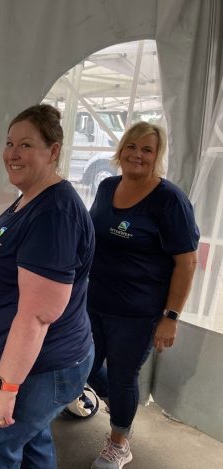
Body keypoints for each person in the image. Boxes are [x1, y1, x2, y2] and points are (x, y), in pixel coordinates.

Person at [0, 104, 95, 468]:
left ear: (53, 151)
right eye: (9, 143)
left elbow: (37, 316)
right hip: (30, 362)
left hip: (37, 368)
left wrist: (7, 389)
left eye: (25, 144)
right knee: (32, 442)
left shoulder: (54, 215)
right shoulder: (30, 198)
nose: (12, 153)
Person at [86, 121, 199, 469]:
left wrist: (171, 317)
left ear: (156, 156)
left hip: (137, 312)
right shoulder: (107, 187)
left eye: (147, 150)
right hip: (94, 300)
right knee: (83, 365)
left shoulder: (169, 200)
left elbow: (187, 263)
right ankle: (120, 403)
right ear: (121, 150)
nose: (138, 155)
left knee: (123, 376)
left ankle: (119, 441)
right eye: (132, 147)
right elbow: (92, 238)